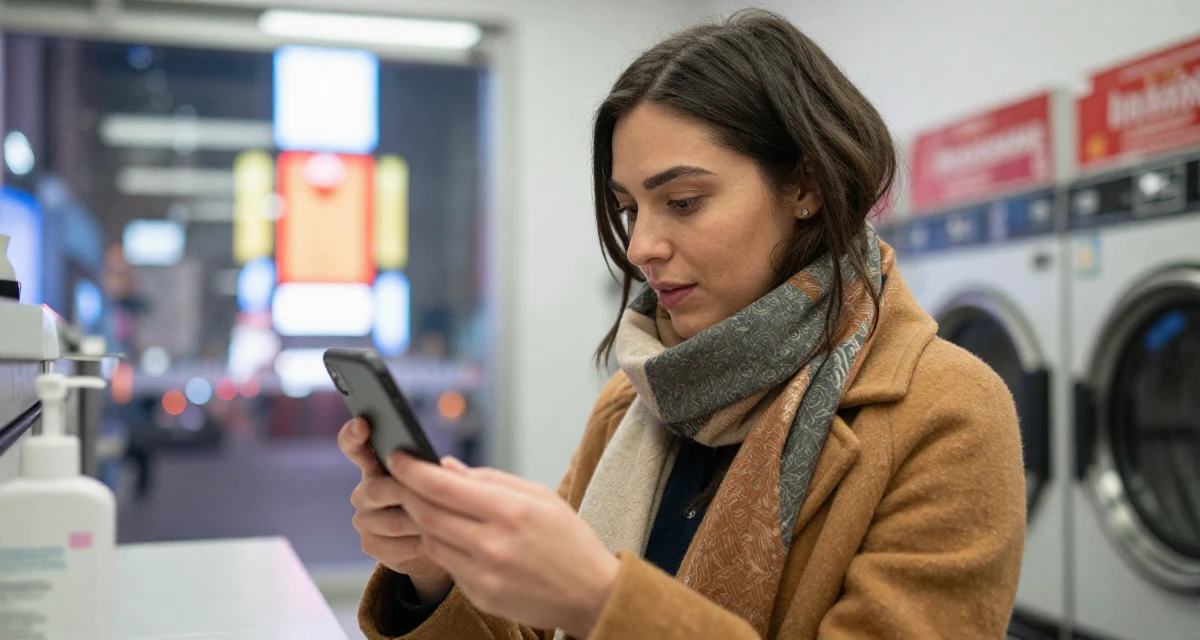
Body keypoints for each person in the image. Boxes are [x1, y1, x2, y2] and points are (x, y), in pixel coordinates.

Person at [339, 9, 1025, 640]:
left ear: (806, 186)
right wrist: (434, 573)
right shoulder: (636, 398)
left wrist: (602, 601)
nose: (640, 247)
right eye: (630, 208)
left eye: (685, 201)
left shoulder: (948, 414)